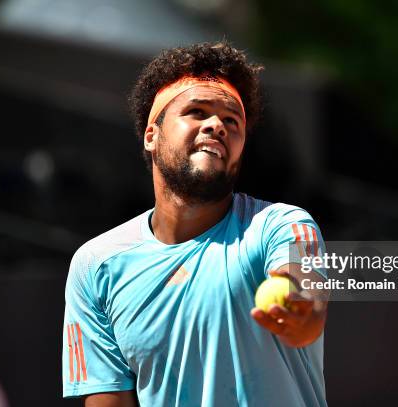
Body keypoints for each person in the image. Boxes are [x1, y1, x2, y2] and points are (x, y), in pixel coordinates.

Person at [62, 42, 329, 407]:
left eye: (232, 120)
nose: (217, 125)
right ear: (151, 135)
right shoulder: (94, 265)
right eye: (197, 111)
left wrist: (300, 310)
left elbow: (305, 293)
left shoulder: (283, 224)